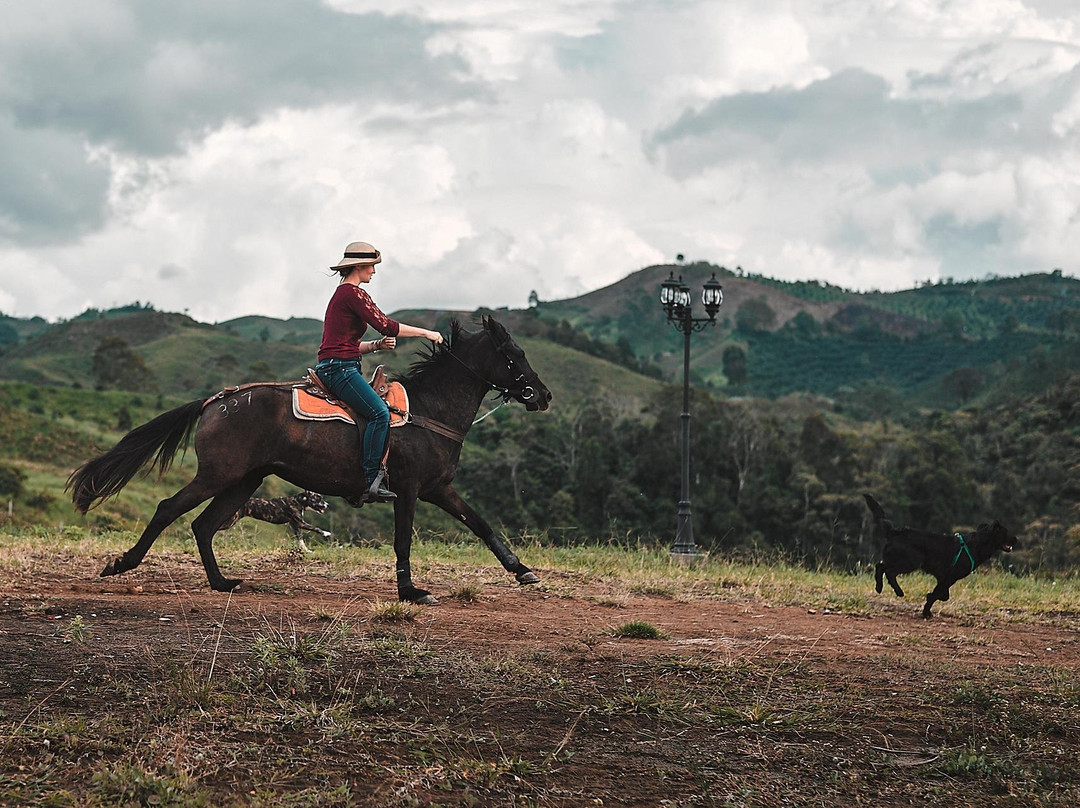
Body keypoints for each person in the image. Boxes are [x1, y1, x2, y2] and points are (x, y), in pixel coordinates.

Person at [315, 241, 443, 504]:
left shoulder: (341, 295)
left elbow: (345, 345)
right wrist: (426, 332)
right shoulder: (353, 294)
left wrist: (375, 346)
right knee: (379, 413)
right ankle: (369, 479)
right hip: (340, 369)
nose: (373, 271)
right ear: (359, 266)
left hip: (336, 364)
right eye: (372, 266)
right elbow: (386, 324)